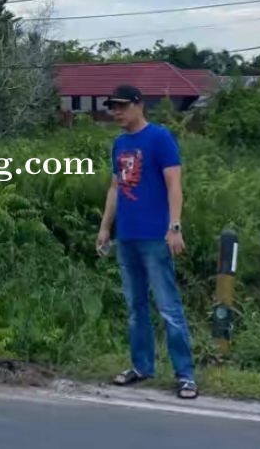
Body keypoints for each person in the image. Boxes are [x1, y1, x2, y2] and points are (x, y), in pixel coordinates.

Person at [96, 85, 198, 400]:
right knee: (135, 307)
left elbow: (174, 185)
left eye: (122, 106)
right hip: (127, 236)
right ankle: (141, 366)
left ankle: (185, 375)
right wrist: (105, 228)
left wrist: (175, 226)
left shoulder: (159, 138)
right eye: (113, 107)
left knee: (168, 307)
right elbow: (115, 188)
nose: (116, 112)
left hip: (155, 236)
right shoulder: (119, 143)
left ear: (139, 105)